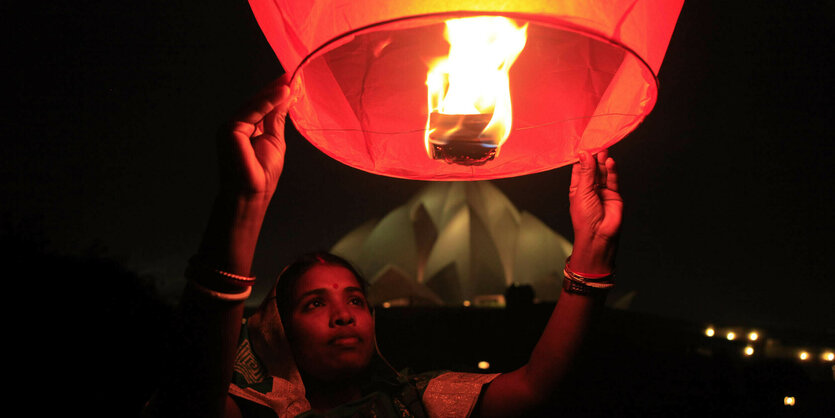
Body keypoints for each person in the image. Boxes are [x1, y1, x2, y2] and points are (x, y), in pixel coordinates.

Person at [143, 75, 623, 418]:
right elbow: (191, 393)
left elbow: (537, 386)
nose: (345, 315)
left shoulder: (418, 402)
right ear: (279, 332)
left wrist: (593, 251)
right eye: (315, 303)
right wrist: (244, 206)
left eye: (355, 298)